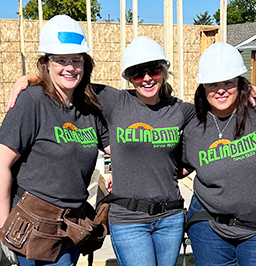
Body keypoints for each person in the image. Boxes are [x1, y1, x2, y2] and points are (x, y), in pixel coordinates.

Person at [6, 36, 195, 266]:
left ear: (164, 71)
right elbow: (69, 78)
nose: (146, 78)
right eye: (137, 73)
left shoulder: (182, 110)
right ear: (128, 77)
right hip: (128, 217)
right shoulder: (114, 100)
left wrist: (247, 88)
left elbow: (218, 112)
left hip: (169, 217)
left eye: (154, 71)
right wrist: (28, 78)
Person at [0, 15, 109, 266]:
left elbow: (118, 149)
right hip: (32, 226)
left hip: (71, 226)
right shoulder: (32, 102)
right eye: (60, 60)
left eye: (76, 60)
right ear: (46, 63)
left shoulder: (89, 105)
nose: (69, 67)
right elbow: (2, 163)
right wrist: (3, 226)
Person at [180, 42, 256, 266]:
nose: (220, 89)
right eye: (212, 83)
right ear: (203, 87)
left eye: (228, 82)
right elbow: (177, 167)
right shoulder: (194, 127)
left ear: (240, 82)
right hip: (209, 226)